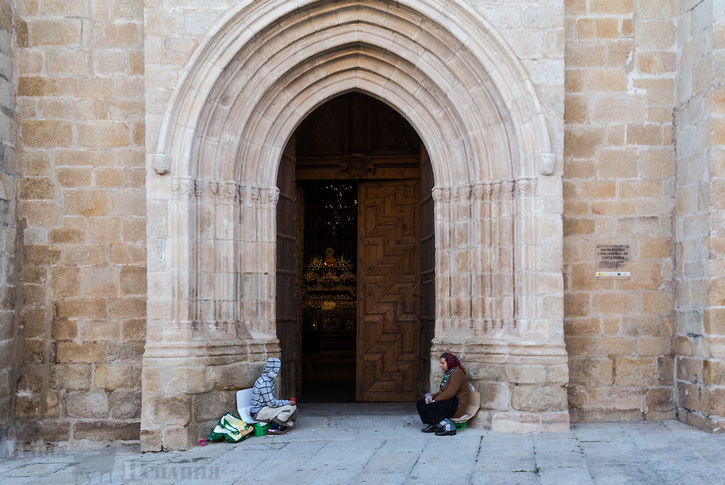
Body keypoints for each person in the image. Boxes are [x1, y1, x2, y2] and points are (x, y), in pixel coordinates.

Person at [416, 352, 469, 436]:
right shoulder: (449, 373)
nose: (441, 365)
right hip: (448, 402)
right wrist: (432, 397)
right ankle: (436, 424)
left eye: (443, 363)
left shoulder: (457, 373)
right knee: (421, 403)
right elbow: (442, 392)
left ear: (450, 363)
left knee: (430, 406)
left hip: (455, 405)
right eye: (440, 363)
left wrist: (435, 400)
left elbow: (450, 392)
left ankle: (449, 427)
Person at [250, 358, 298, 435]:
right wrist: (287, 402)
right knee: (289, 408)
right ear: (273, 368)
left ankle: (281, 426)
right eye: (277, 368)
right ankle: (273, 429)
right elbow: (272, 403)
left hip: (265, 408)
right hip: (258, 411)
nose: (278, 370)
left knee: (293, 408)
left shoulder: (269, 379)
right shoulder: (265, 382)